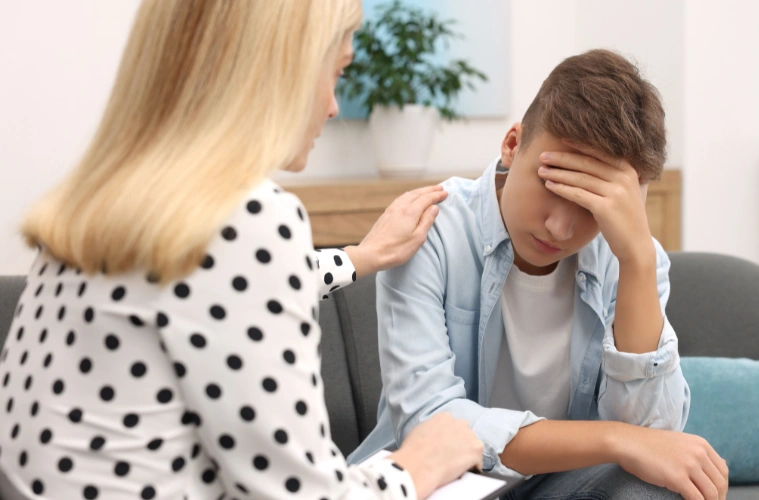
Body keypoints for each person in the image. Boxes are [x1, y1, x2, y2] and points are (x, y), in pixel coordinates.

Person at [0, 1, 484, 499]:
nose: (333, 106)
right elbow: (304, 494)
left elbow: (208, 292)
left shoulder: (108, 200)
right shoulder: (245, 218)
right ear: (279, 69)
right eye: (336, 72)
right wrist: (418, 465)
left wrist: (358, 257)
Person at [349, 49, 730, 500]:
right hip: (436, 484)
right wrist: (615, 440)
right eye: (552, 184)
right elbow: (432, 419)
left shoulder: (630, 260)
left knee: (653, 489)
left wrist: (638, 262)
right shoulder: (429, 231)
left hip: (560, 486)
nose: (560, 228)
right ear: (513, 143)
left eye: (591, 205)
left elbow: (655, 436)